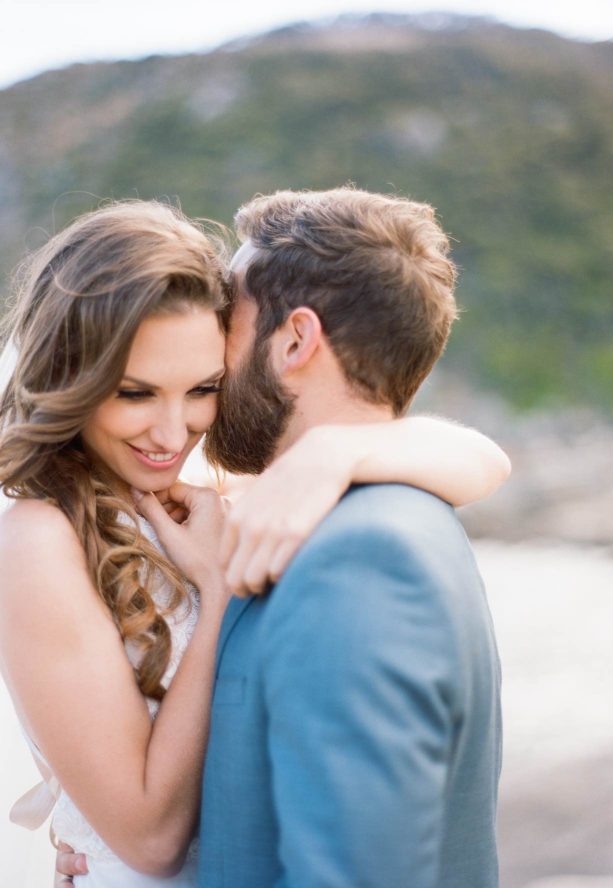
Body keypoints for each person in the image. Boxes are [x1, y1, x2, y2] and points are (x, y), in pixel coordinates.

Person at [0, 198, 508, 887]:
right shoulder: (39, 540)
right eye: (134, 392)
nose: (173, 433)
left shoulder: (203, 498)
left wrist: (335, 453)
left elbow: (486, 461)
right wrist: (214, 594)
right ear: (75, 382)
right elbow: (150, 840)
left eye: (204, 387)